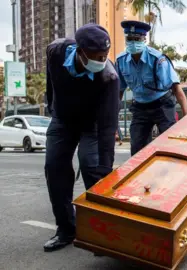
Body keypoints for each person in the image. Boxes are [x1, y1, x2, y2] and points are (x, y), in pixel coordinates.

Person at [43, 23, 119, 252]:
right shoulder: (55, 51)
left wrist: (104, 171)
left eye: (105, 56)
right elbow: (51, 82)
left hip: (92, 124)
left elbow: (107, 127)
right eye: (97, 56)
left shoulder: (109, 77)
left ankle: (100, 234)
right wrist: (52, 106)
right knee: (54, 166)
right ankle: (66, 229)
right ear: (80, 51)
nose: (102, 60)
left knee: (92, 166)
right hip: (63, 119)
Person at [115, 20, 187, 156]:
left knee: (169, 145)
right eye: (129, 39)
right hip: (140, 107)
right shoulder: (121, 61)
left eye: (136, 39)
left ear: (144, 39)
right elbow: (119, 92)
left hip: (162, 105)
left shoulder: (157, 59)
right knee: (137, 147)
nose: (132, 42)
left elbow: (177, 89)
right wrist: (113, 119)